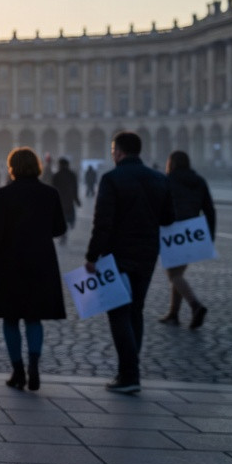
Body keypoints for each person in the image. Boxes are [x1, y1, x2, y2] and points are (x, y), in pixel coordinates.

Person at [85, 131, 175, 393]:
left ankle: (129, 375)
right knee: (136, 310)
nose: (112, 154)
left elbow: (103, 221)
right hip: (147, 253)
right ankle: (130, 372)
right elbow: (169, 218)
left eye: (113, 150)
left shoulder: (112, 178)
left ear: (119, 152)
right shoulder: (159, 178)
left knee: (117, 312)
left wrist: (92, 256)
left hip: (118, 254)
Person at [0, 148, 66, 391]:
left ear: (12, 168)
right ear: (37, 166)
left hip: (10, 262)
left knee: (11, 318)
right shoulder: (50, 193)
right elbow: (59, 228)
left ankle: (17, 370)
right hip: (41, 261)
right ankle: (34, 366)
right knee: (34, 317)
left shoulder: (4, 194)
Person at [160, 151, 215, 329]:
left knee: (173, 274)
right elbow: (209, 209)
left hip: (173, 230)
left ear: (173, 163)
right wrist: (209, 236)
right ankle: (173, 314)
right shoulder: (199, 180)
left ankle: (195, 305)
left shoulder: (167, 180)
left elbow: (159, 206)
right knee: (178, 273)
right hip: (193, 231)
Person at [50, 157, 81, 244]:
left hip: (60, 201)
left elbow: (53, 189)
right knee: (68, 217)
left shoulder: (56, 175)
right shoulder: (72, 175)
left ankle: (64, 234)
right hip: (69, 200)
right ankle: (68, 226)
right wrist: (76, 199)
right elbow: (75, 188)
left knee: (62, 218)